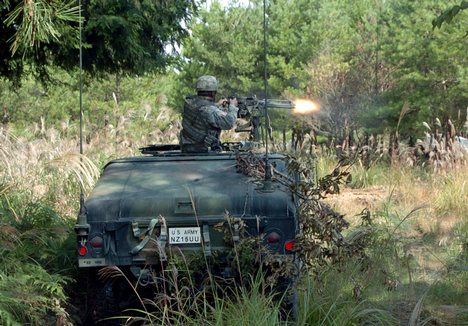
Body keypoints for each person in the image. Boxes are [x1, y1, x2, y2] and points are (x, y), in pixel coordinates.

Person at [180, 75, 239, 152]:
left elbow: (202, 109)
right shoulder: (210, 110)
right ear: (212, 93)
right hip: (203, 152)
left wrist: (217, 105)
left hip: (187, 148)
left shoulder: (189, 103)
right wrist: (233, 106)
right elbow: (229, 122)